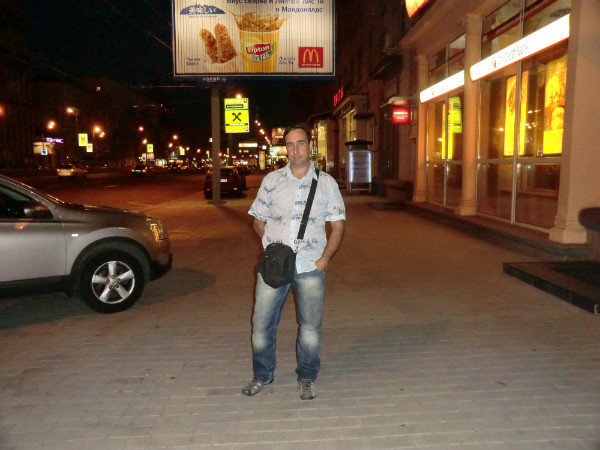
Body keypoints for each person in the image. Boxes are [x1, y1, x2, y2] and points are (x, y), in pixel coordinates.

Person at [243, 124, 346, 400]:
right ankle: (262, 375)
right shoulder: (272, 181)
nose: (295, 149)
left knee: (310, 327)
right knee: (261, 325)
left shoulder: (326, 183)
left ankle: (307, 377)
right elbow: (257, 220)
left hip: (311, 266)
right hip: (274, 268)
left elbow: (338, 226)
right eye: (289, 144)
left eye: (300, 143)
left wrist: (324, 260)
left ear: (310, 146)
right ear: (285, 148)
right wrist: (272, 250)